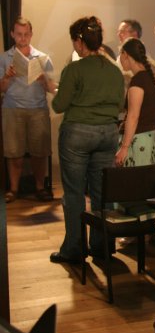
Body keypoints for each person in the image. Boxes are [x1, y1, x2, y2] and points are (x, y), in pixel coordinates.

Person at [50, 16, 125, 263]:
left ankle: (74, 249)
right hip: (108, 133)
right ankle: (102, 246)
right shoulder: (114, 69)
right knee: (102, 193)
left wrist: (61, 92)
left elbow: (59, 105)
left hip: (78, 134)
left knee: (74, 193)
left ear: (80, 43)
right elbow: (119, 103)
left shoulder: (74, 69)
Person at [0, 17, 56, 203]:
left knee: (39, 152)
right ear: (12, 35)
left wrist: (43, 79)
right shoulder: (4, 58)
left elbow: (52, 88)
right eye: (19, 34)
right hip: (12, 109)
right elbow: (1, 88)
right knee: (13, 152)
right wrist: (7, 77)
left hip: (37, 109)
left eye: (26, 34)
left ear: (31, 34)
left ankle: (40, 187)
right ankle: (13, 189)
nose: (23, 38)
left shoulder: (42, 58)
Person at [115, 37, 155, 167]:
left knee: (136, 183)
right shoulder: (149, 78)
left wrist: (124, 147)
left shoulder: (138, 81)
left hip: (140, 141)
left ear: (125, 55)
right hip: (151, 137)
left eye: (120, 55)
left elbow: (133, 115)